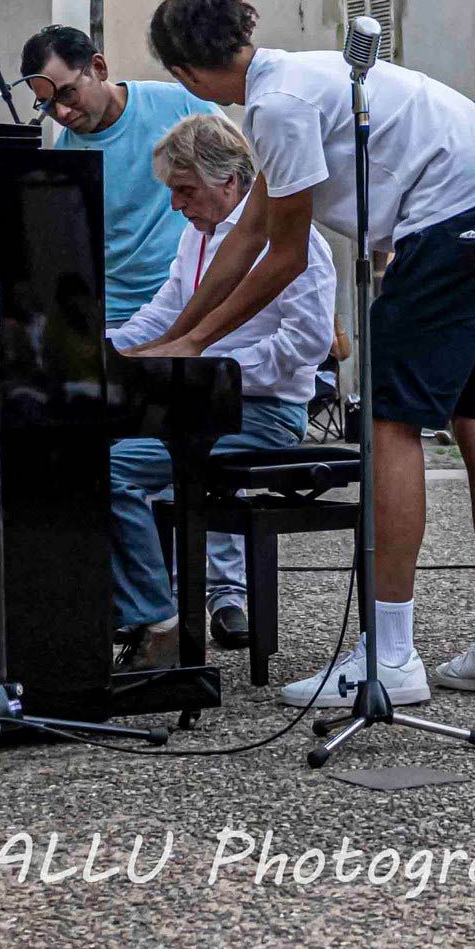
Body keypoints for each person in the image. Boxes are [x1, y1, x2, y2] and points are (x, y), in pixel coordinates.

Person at [131, 0, 475, 708]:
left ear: (187, 72)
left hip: (455, 213)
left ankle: (389, 658)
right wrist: (184, 332)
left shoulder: (277, 105)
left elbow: (283, 256)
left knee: (387, 420)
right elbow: (248, 232)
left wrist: (193, 346)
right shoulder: (292, 81)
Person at [107, 114, 334, 665]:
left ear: (230, 180)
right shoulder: (196, 238)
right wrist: (105, 350)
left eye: (184, 190)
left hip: (265, 414)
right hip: (202, 405)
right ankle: (137, 611)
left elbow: (302, 349)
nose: (176, 205)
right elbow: (164, 317)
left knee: (107, 470)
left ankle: (156, 625)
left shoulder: (296, 241)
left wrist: (206, 366)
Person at [21, 24, 223, 327]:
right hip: (116, 314)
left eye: (68, 94)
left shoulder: (182, 106)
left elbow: (238, 186)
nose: (62, 113)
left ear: (98, 68)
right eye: (48, 105)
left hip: (193, 298)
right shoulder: (65, 156)